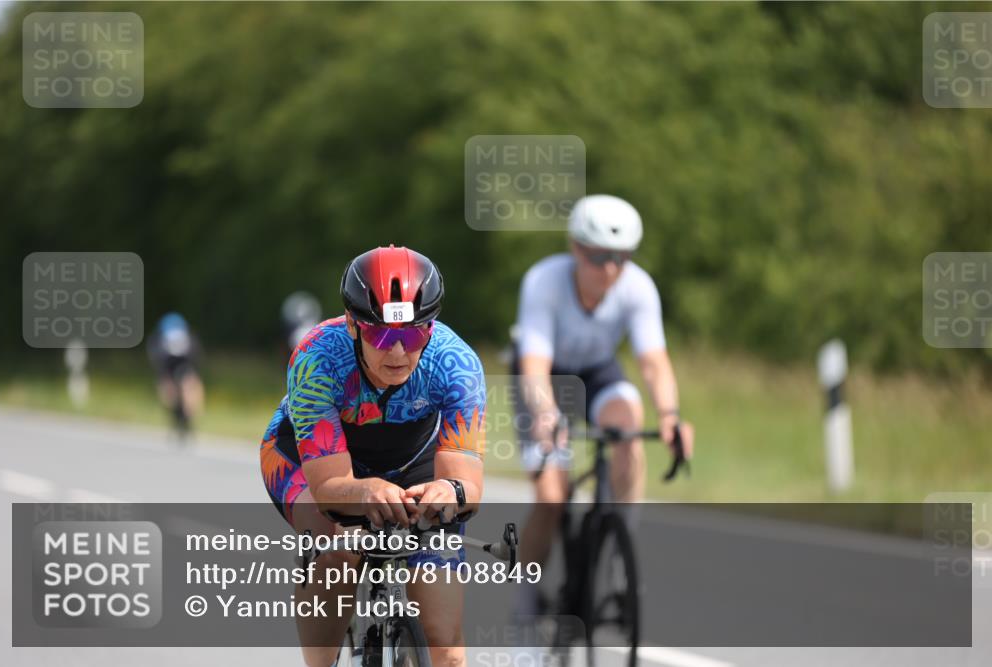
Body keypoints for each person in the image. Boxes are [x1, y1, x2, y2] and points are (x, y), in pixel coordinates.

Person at [258, 245, 486, 667]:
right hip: (310, 461)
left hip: (411, 458)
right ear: (352, 324)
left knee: (446, 647)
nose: (398, 352)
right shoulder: (317, 359)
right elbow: (329, 488)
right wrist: (363, 492)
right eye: (382, 335)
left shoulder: (456, 364)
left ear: (431, 327)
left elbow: (466, 484)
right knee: (337, 549)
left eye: (414, 334)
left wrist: (447, 492)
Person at [511, 194, 695, 610]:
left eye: (621, 257)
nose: (610, 269)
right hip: (543, 378)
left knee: (629, 433)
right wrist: (546, 415)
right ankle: (525, 597)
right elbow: (535, 363)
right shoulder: (544, 282)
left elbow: (652, 361)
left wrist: (670, 417)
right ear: (576, 248)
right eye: (598, 257)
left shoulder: (638, 287)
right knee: (551, 498)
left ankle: (616, 561)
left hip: (597, 373)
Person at [146, 312, 204, 439]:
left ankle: (189, 420)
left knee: (190, 388)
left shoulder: (191, 342)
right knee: (167, 391)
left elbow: (195, 360)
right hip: (166, 366)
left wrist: (192, 378)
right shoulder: (157, 344)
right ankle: (174, 417)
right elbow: (158, 364)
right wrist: (165, 380)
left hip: (185, 363)